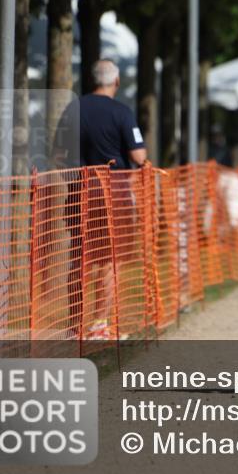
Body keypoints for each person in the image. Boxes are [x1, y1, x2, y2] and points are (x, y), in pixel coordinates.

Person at [55, 59, 147, 340]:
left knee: (78, 258)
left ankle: (73, 327)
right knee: (107, 260)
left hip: (79, 191)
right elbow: (138, 157)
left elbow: (58, 156)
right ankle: (99, 325)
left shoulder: (72, 109)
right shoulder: (122, 112)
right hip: (112, 193)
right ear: (116, 82)